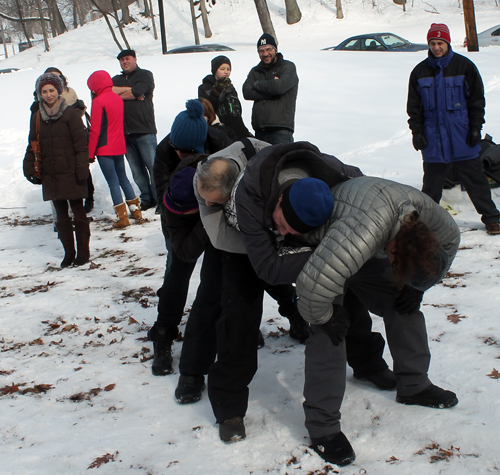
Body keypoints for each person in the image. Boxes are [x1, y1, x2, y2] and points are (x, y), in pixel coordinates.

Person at [280, 176, 460, 466]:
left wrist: (416, 288)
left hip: (371, 227)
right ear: (392, 251)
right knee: (329, 333)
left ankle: (415, 385)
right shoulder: (358, 235)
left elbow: (450, 245)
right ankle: (323, 428)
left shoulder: (436, 221)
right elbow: (312, 292)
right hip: (326, 246)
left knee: (404, 303)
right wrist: (327, 317)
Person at [194, 140, 317, 444]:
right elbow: (220, 234)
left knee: (305, 287)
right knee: (237, 320)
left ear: (234, 190)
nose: (208, 205)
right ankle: (229, 409)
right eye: (205, 199)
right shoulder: (206, 177)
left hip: (277, 228)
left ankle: (368, 361)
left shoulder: (263, 162)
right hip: (237, 246)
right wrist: (260, 246)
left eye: (215, 201)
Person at [149, 99, 233, 376]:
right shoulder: (165, 151)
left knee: (225, 270)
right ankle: (164, 331)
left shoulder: (220, 142)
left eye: (184, 151)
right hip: (181, 217)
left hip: (217, 211)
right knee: (177, 269)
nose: (177, 152)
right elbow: (166, 198)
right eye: (176, 148)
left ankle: (231, 323)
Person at [407, 23, 500, 235]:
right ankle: (424, 224)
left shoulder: (464, 67)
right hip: (433, 137)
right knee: (431, 186)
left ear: (447, 43)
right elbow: (414, 107)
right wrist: (417, 132)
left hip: (462, 135)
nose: (436, 47)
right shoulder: (420, 72)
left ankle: (492, 219)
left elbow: (477, 101)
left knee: (476, 182)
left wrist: (476, 127)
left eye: (440, 43)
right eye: (433, 43)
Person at [23, 72, 90, 267]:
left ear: (58, 90)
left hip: (71, 171)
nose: (48, 94)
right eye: (44, 91)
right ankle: (69, 253)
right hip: (50, 173)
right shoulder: (36, 116)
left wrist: (81, 171)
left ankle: (83, 253)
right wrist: (29, 167)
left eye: (51, 90)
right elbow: (32, 143)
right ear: (39, 93)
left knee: (78, 213)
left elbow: (81, 146)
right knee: (61, 217)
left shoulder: (70, 114)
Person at [87, 70, 144, 228]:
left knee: (113, 182)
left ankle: (122, 217)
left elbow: (95, 130)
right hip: (119, 145)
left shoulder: (98, 101)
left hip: (104, 148)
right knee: (123, 179)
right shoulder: (117, 98)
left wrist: (90, 153)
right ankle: (136, 211)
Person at [112, 49, 157, 211]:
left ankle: (159, 199)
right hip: (124, 132)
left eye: (127, 58)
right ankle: (146, 198)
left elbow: (138, 91)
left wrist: (128, 91)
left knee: (153, 167)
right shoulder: (115, 79)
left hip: (144, 129)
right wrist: (129, 91)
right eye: (121, 60)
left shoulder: (145, 75)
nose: (124, 62)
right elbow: (107, 92)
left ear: (135, 59)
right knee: (136, 171)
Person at [242, 33, 298, 144]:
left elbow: (279, 87)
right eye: (261, 51)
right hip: (259, 131)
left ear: (275, 50)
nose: (265, 54)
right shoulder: (255, 71)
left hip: (281, 131)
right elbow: (246, 92)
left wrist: (257, 84)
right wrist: (272, 90)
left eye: (268, 49)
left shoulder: (287, 67)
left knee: (281, 161)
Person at [198, 55, 252, 140]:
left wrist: (243, 131)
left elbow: (237, 112)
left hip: (235, 131)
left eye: (228, 69)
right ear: (215, 70)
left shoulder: (230, 88)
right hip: (217, 132)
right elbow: (207, 110)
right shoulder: (205, 88)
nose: (226, 72)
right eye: (222, 69)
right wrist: (216, 91)